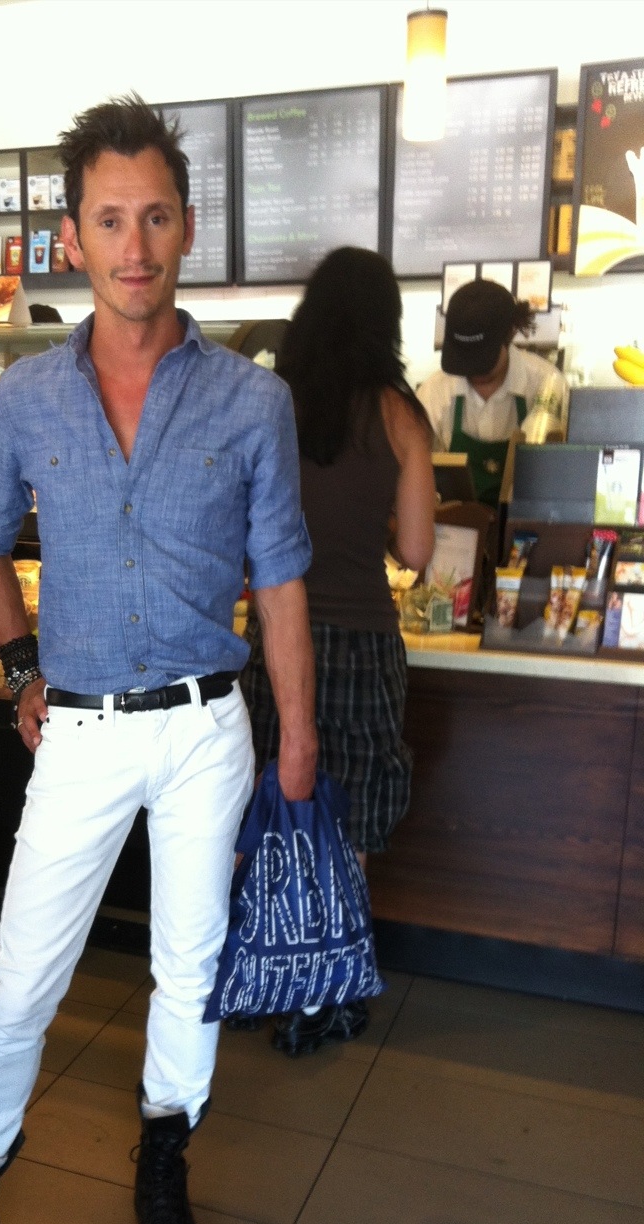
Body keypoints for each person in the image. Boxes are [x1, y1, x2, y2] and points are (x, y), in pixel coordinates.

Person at [0, 95, 318, 1224]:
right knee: (20, 983)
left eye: (154, 216)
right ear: (73, 238)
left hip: (207, 728)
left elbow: (282, 580)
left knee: (188, 969)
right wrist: (21, 665)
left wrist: (298, 736)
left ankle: (163, 1165)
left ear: (187, 227)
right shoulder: (28, 396)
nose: (133, 244)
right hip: (83, 731)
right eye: (109, 219)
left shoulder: (251, 402)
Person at [240, 246, 436, 1056]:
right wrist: (374, 522)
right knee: (345, 820)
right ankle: (323, 994)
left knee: (275, 807)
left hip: (272, 640)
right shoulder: (400, 415)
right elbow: (416, 551)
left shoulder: (270, 401)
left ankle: (269, 974)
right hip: (361, 642)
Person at [416, 278, 567, 506]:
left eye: (481, 358)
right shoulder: (434, 393)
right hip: (456, 524)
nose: (472, 369)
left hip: (524, 524)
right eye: (463, 359)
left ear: (510, 334)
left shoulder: (547, 386)